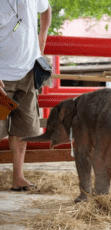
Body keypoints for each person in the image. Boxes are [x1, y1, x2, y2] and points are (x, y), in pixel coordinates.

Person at [0, 0, 52, 191]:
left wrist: (42, 39)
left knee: (24, 128)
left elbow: (46, 10)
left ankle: (18, 178)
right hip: (2, 78)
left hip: (28, 73)